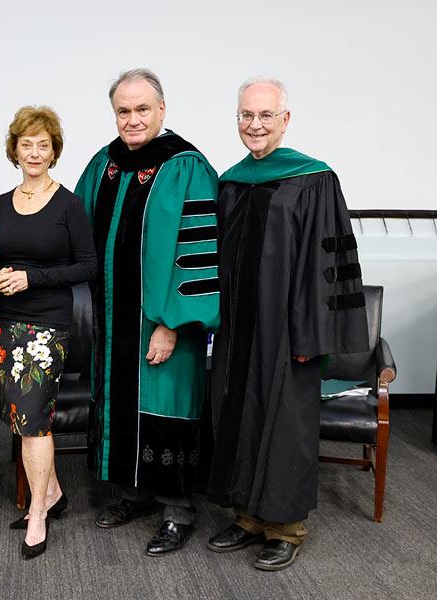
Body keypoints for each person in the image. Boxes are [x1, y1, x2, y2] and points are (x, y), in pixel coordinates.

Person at [207, 76, 369, 571]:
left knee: (284, 425)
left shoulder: (314, 179)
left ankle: (286, 527)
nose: (254, 125)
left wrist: (312, 334)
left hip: (288, 331)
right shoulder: (231, 180)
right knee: (236, 415)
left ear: (285, 119)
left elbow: (328, 262)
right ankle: (247, 516)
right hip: (237, 329)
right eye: (245, 116)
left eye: (264, 116)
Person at [74, 68, 220, 556]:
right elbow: (73, 227)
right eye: (123, 110)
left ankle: (178, 511)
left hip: (162, 324)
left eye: (142, 109)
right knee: (119, 404)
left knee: (165, 406)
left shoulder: (186, 166)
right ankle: (132, 494)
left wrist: (170, 324)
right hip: (112, 321)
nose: (132, 119)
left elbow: (198, 254)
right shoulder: (104, 163)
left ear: (162, 110)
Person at [0, 106, 96, 559]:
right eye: (26, 144)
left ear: (54, 151)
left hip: (45, 326)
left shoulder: (68, 204)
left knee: (34, 422)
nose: (34, 152)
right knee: (19, 416)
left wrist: (33, 279)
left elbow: (87, 266)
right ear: (14, 150)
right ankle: (51, 493)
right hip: (3, 321)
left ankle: (38, 515)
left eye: (43, 145)